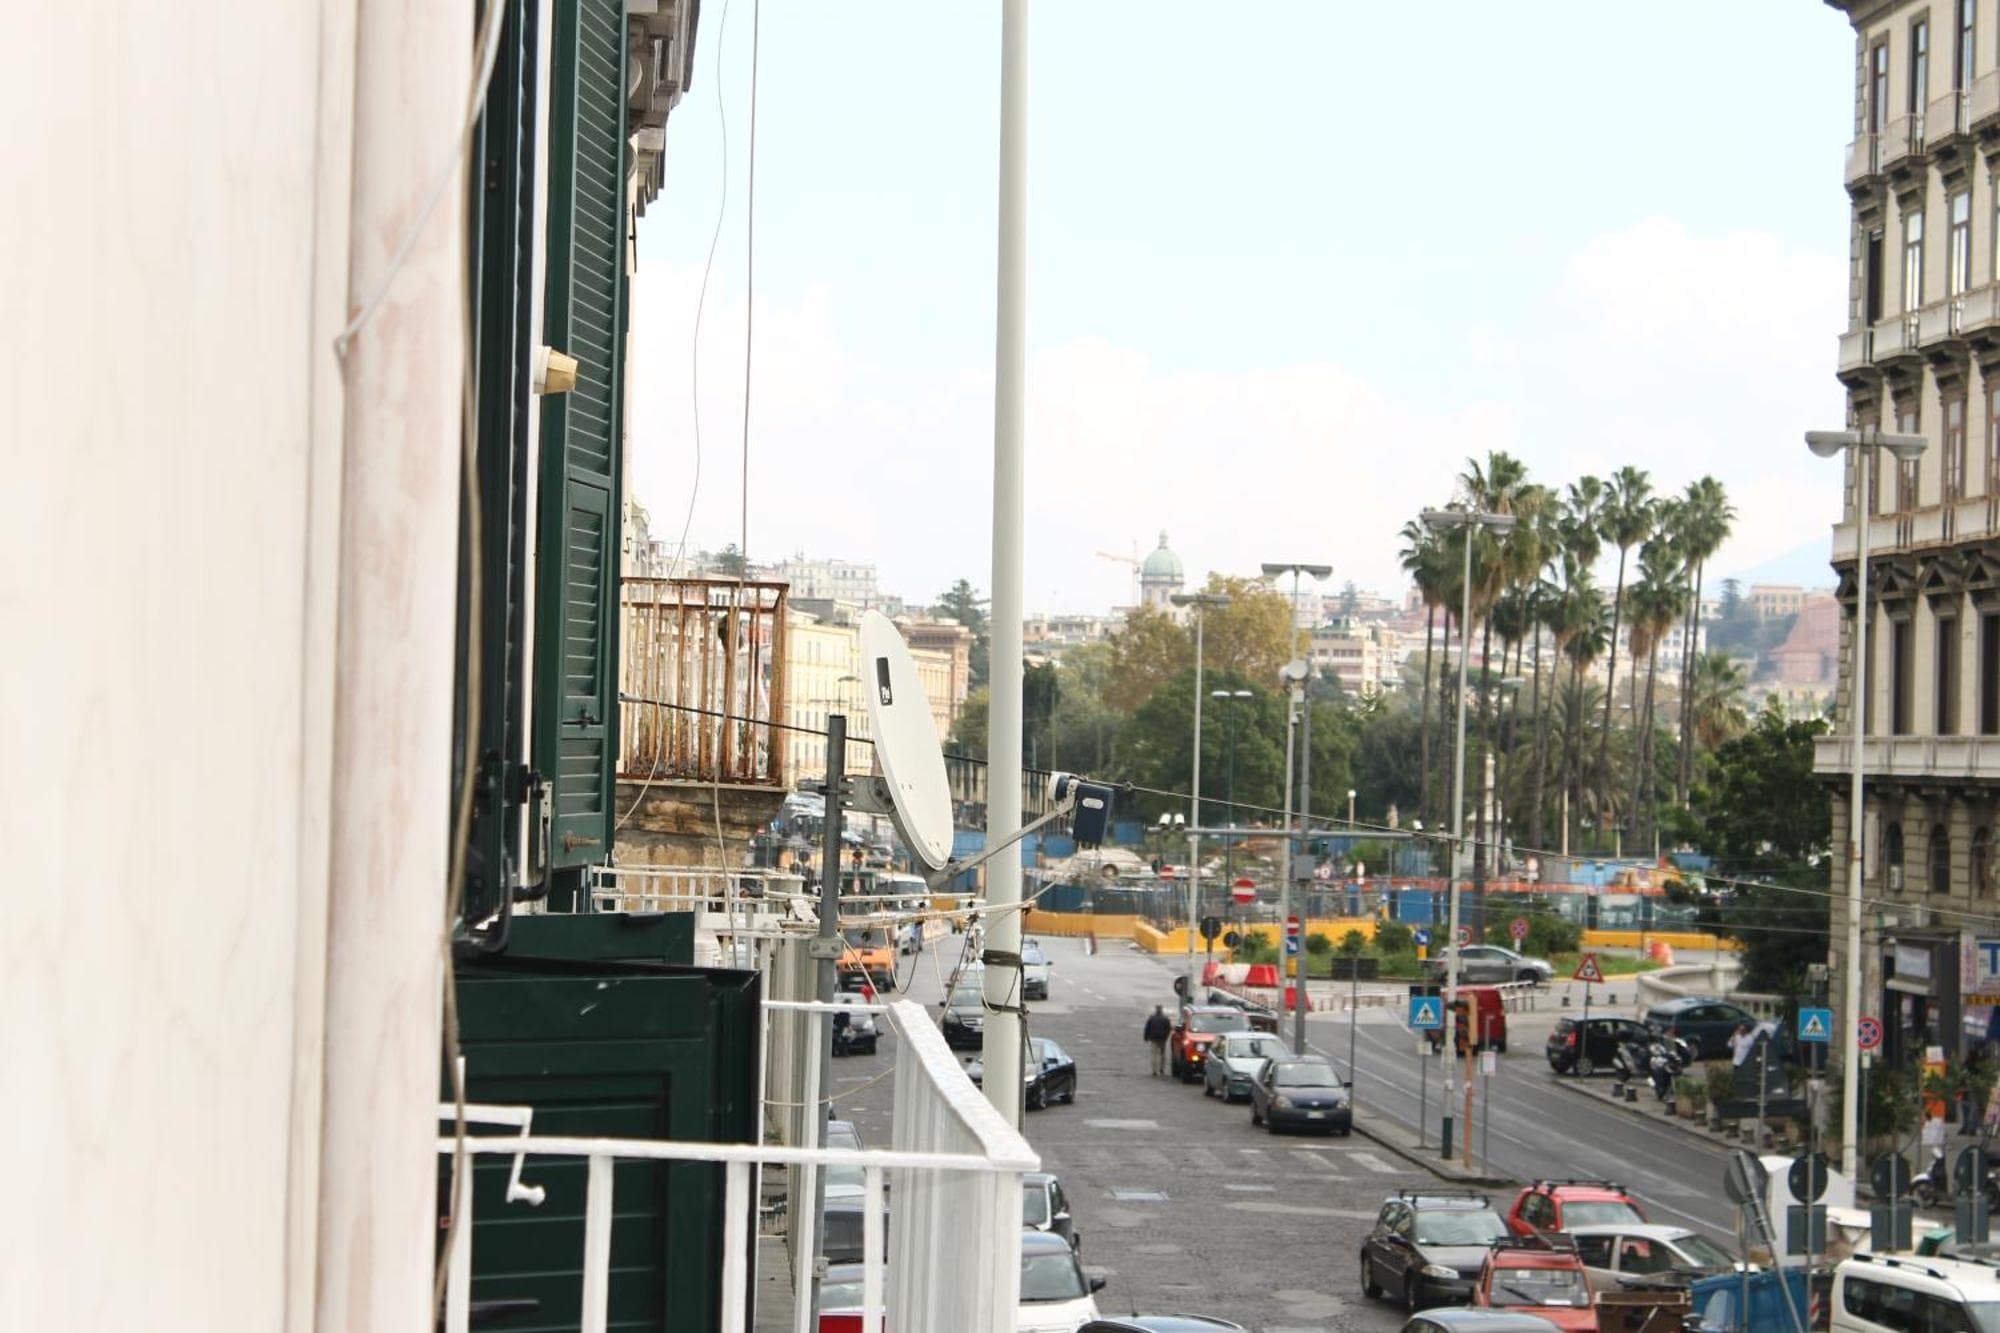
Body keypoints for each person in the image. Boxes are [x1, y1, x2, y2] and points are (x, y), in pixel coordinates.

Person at [1144, 1004, 1173, 1076]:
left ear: (1156, 1010)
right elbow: (1168, 1029)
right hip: (1162, 1039)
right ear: (1162, 1010)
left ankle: (1154, 1070)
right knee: (1162, 1054)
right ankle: (1161, 1068)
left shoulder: (1152, 1018)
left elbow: (1147, 1028)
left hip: (1153, 1039)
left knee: (1154, 1055)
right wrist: (1166, 1037)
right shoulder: (1165, 1019)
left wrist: (1146, 1037)